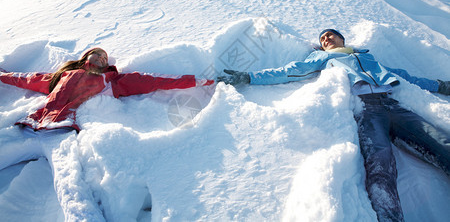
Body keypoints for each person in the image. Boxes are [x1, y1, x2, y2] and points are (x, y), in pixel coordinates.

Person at [217, 29, 450, 222]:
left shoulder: (368, 57)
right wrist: (249, 77)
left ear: (342, 39)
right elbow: (289, 72)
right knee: (380, 166)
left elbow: (404, 76)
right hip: (366, 111)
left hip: (393, 106)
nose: (326, 39)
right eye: (322, 39)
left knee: (442, 142)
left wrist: (440, 86)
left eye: (330, 35)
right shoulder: (322, 58)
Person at [0, 47, 214, 221]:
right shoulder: (62, 76)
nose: (102, 58)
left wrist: (202, 81)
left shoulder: (112, 81)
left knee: (72, 189)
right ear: (86, 56)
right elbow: (25, 79)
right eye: (98, 53)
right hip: (29, 126)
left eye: (105, 57)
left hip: (61, 133)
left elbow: (156, 80)